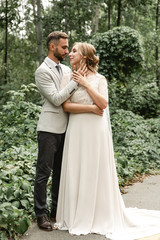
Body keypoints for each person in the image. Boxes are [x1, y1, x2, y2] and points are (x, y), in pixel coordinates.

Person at [54, 42, 160, 239]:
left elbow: (103, 103)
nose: (70, 54)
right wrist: (90, 107)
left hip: (95, 131)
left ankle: (98, 214)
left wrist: (85, 84)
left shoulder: (100, 79)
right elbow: (66, 106)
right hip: (76, 129)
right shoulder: (67, 77)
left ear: (85, 56)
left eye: (75, 51)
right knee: (77, 168)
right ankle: (74, 214)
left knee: (94, 168)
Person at [34, 32, 101, 231]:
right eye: (64, 47)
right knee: (43, 173)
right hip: (49, 128)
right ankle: (41, 214)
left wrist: (80, 78)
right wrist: (76, 81)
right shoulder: (42, 71)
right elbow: (56, 99)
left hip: (68, 130)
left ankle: (57, 211)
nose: (66, 50)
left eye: (68, 47)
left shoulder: (65, 69)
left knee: (61, 173)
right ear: (52, 47)